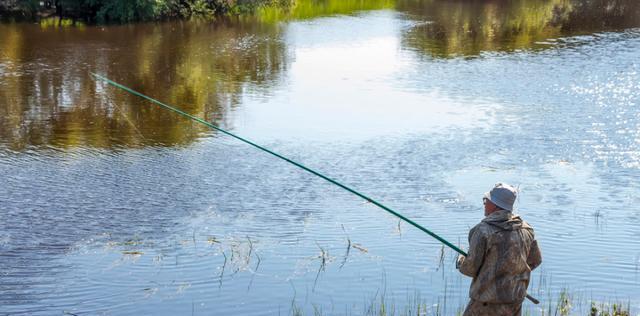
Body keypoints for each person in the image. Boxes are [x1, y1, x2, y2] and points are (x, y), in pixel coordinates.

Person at [456, 183, 542, 316]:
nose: (484, 203)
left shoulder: (483, 231)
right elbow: (535, 261)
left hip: (485, 305)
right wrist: (510, 277)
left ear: (495, 205)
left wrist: (461, 261)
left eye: (486, 200)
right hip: (514, 303)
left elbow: (470, 268)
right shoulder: (526, 229)